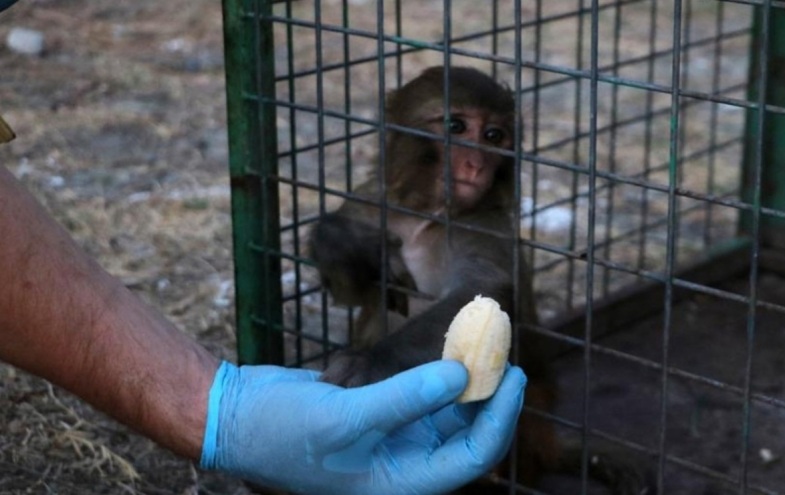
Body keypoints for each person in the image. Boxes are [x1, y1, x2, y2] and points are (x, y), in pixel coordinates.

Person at [0, 4, 525, 492]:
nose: (475, 160)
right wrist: (335, 244)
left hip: (457, 396)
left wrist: (381, 361)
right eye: (455, 129)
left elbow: (486, 293)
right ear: (401, 129)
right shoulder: (375, 202)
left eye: (494, 138)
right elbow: (345, 289)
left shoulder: (487, 228)